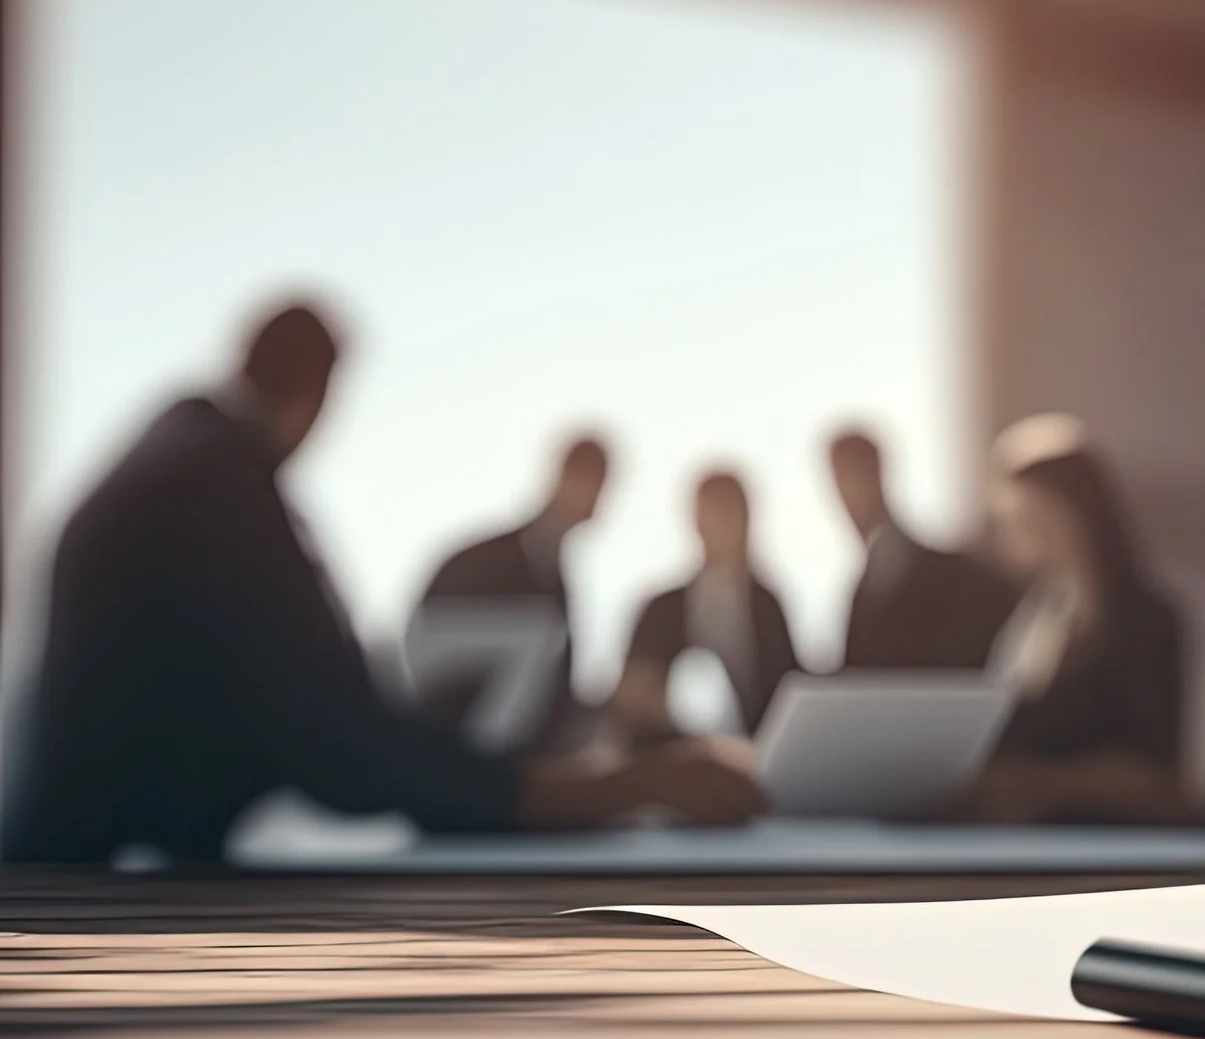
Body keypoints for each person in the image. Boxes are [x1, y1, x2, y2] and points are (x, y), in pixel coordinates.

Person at [0, 301, 762, 866]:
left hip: (95, 855)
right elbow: (349, 744)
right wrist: (616, 789)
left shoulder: (177, 453)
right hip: (89, 881)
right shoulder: (216, 490)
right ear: (320, 395)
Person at [959, 414, 1201, 825]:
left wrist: (1033, 784)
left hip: (1113, 842)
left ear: (1069, 516)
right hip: (1029, 839)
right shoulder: (1030, 615)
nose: (1013, 535)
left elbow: (1158, 775)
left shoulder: (1144, 619)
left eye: (1027, 519)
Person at [407, 435, 608, 755]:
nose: (601, 498)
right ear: (568, 477)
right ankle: (491, 767)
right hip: (440, 694)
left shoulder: (553, 574)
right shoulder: (496, 558)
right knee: (539, 634)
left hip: (487, 718)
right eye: (595, 481)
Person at [611, 470, 800, 745]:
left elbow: (789, 685)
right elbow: (631, 694)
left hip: (752, 756)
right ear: (696, 522)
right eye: (713, 512)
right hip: (675, 762)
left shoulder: (768, 607)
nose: (722, 524)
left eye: (729, 511)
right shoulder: (661, 609)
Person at [829, 428, 1021, 671]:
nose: (848, 492)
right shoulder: (873, 576)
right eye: (841, 477)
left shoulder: (952, 578)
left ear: (878, 471)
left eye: (854, 474)